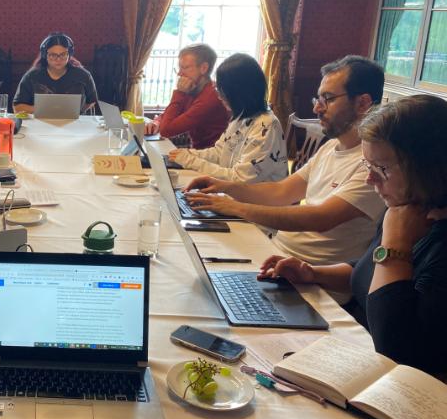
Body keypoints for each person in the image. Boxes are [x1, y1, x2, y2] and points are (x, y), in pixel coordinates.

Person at [259, 95, 447, 374]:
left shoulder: (420, 234)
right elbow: (370, 272)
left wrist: (396, 245)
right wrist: (312, 272)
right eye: (368, 167)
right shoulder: (407, 208)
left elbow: (400, 353)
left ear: (429, 168)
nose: (370, 179)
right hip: (357, 350)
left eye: (381, 168)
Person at [184, 56, 387, 296]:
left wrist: (234, 207)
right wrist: (225, 187)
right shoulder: (331, 147)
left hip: (313, 284)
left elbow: (319, 218)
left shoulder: (375, 165)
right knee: (194, 271)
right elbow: (281, 191)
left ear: (363, 103)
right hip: (278, 259)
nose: (317, 108)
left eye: (328, 99)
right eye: (318, 99)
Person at [167, 53, 288, 184]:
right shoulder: (241, 116)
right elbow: (220, 152)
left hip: (254, 195)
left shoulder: (266, 126)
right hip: (233, 191)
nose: (219, 96)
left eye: (222, 91)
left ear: (240, 92)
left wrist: (190, 161)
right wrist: (189, 154)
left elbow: (239, 179)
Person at [147, 43, 229, 148]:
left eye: (185, 67)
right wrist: (156, 122)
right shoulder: (194, 88)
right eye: (179, 68)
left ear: (204, 68)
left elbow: (166, 130)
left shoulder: (210, 97)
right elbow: (169, 115)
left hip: (210, 155)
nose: (179, 73)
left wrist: (179, 92)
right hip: (197, 151)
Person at [12, 32, 98, 114]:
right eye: (53, 55)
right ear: (45, 55)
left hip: (76, 122)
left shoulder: (83, 75)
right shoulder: (31, 76)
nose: (58, 59)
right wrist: (48, 109)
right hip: (40, 122)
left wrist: (78, 111)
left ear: (69, 54)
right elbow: (17, 107)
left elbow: (93, 103)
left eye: (63, 54)